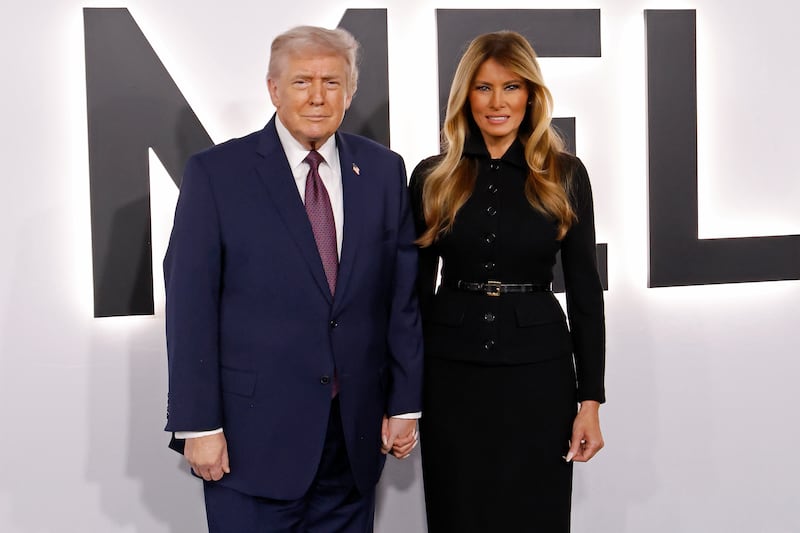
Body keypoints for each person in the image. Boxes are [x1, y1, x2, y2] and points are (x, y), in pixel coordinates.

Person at [163, 25, 423, 533]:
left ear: (349, 93)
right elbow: (189, 306)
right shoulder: (217, 173)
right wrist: (198, 423)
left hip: (353, 438)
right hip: (248, 440)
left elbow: (401, 299)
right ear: (273, 89)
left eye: (332, 82)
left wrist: (405, 402)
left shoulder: (384, 171)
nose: (319, 96)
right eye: (303, 81)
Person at [409, 30, 606, 532]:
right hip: (450, 377)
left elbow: (586, 297)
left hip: (539, 379)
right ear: (465, 97)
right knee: (458, 512)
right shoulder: (432, 176)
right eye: (483, 88)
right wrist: (401, 398)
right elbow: (410, 297)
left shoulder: (564, 174)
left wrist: (591, 402)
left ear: (531, 96)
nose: (498, 103)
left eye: (512, 87)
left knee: (535, 514)